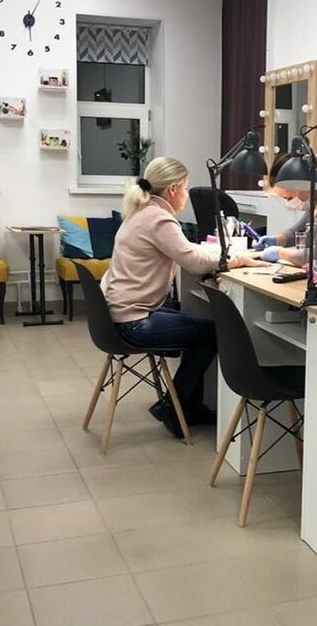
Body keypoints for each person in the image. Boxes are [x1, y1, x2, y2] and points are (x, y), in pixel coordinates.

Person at [101, 156, 263, 439]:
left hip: (120, 312)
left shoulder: (142, 212)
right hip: (133, 320)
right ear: (173, 189)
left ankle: (185, 406)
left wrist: (226, 255)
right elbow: (194, 262)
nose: (187, 194)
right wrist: (238, 259)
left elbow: (188, 250)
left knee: (196, 325)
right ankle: (176, 408)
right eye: (185, 188)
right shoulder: (159, 219)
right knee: (210, 333)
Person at [253, 154, 317, 266]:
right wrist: (275, 240)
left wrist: (279, 253)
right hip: (312, 273)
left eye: (289, 198)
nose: (288, 204)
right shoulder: (316, 201)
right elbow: (296, 232)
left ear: (302, 183)